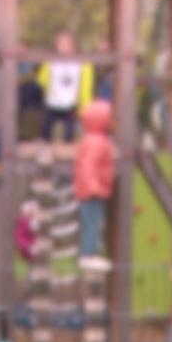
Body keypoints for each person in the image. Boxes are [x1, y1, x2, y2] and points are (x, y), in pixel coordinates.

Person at [73, 99, 116, 264]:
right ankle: (88, 255)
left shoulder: (96, 139)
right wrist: (93, 186)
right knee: (93, 223)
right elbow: (88, 165)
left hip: (94, 190)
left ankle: (91, 253)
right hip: (92, 191)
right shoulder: (96, 142)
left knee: (94, 222)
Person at [36, 31, 94, 142]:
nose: (64, 47)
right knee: (45, 130)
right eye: (61, 44)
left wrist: (85, 109)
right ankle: (45, 149)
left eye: (67, 44)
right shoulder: (51, 62)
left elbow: (86, 88)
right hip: (52, 103)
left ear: (74, 45)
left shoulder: (81, 63)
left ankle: (68, 151)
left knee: (69, 133)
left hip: (71, 104)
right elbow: (41, 82)